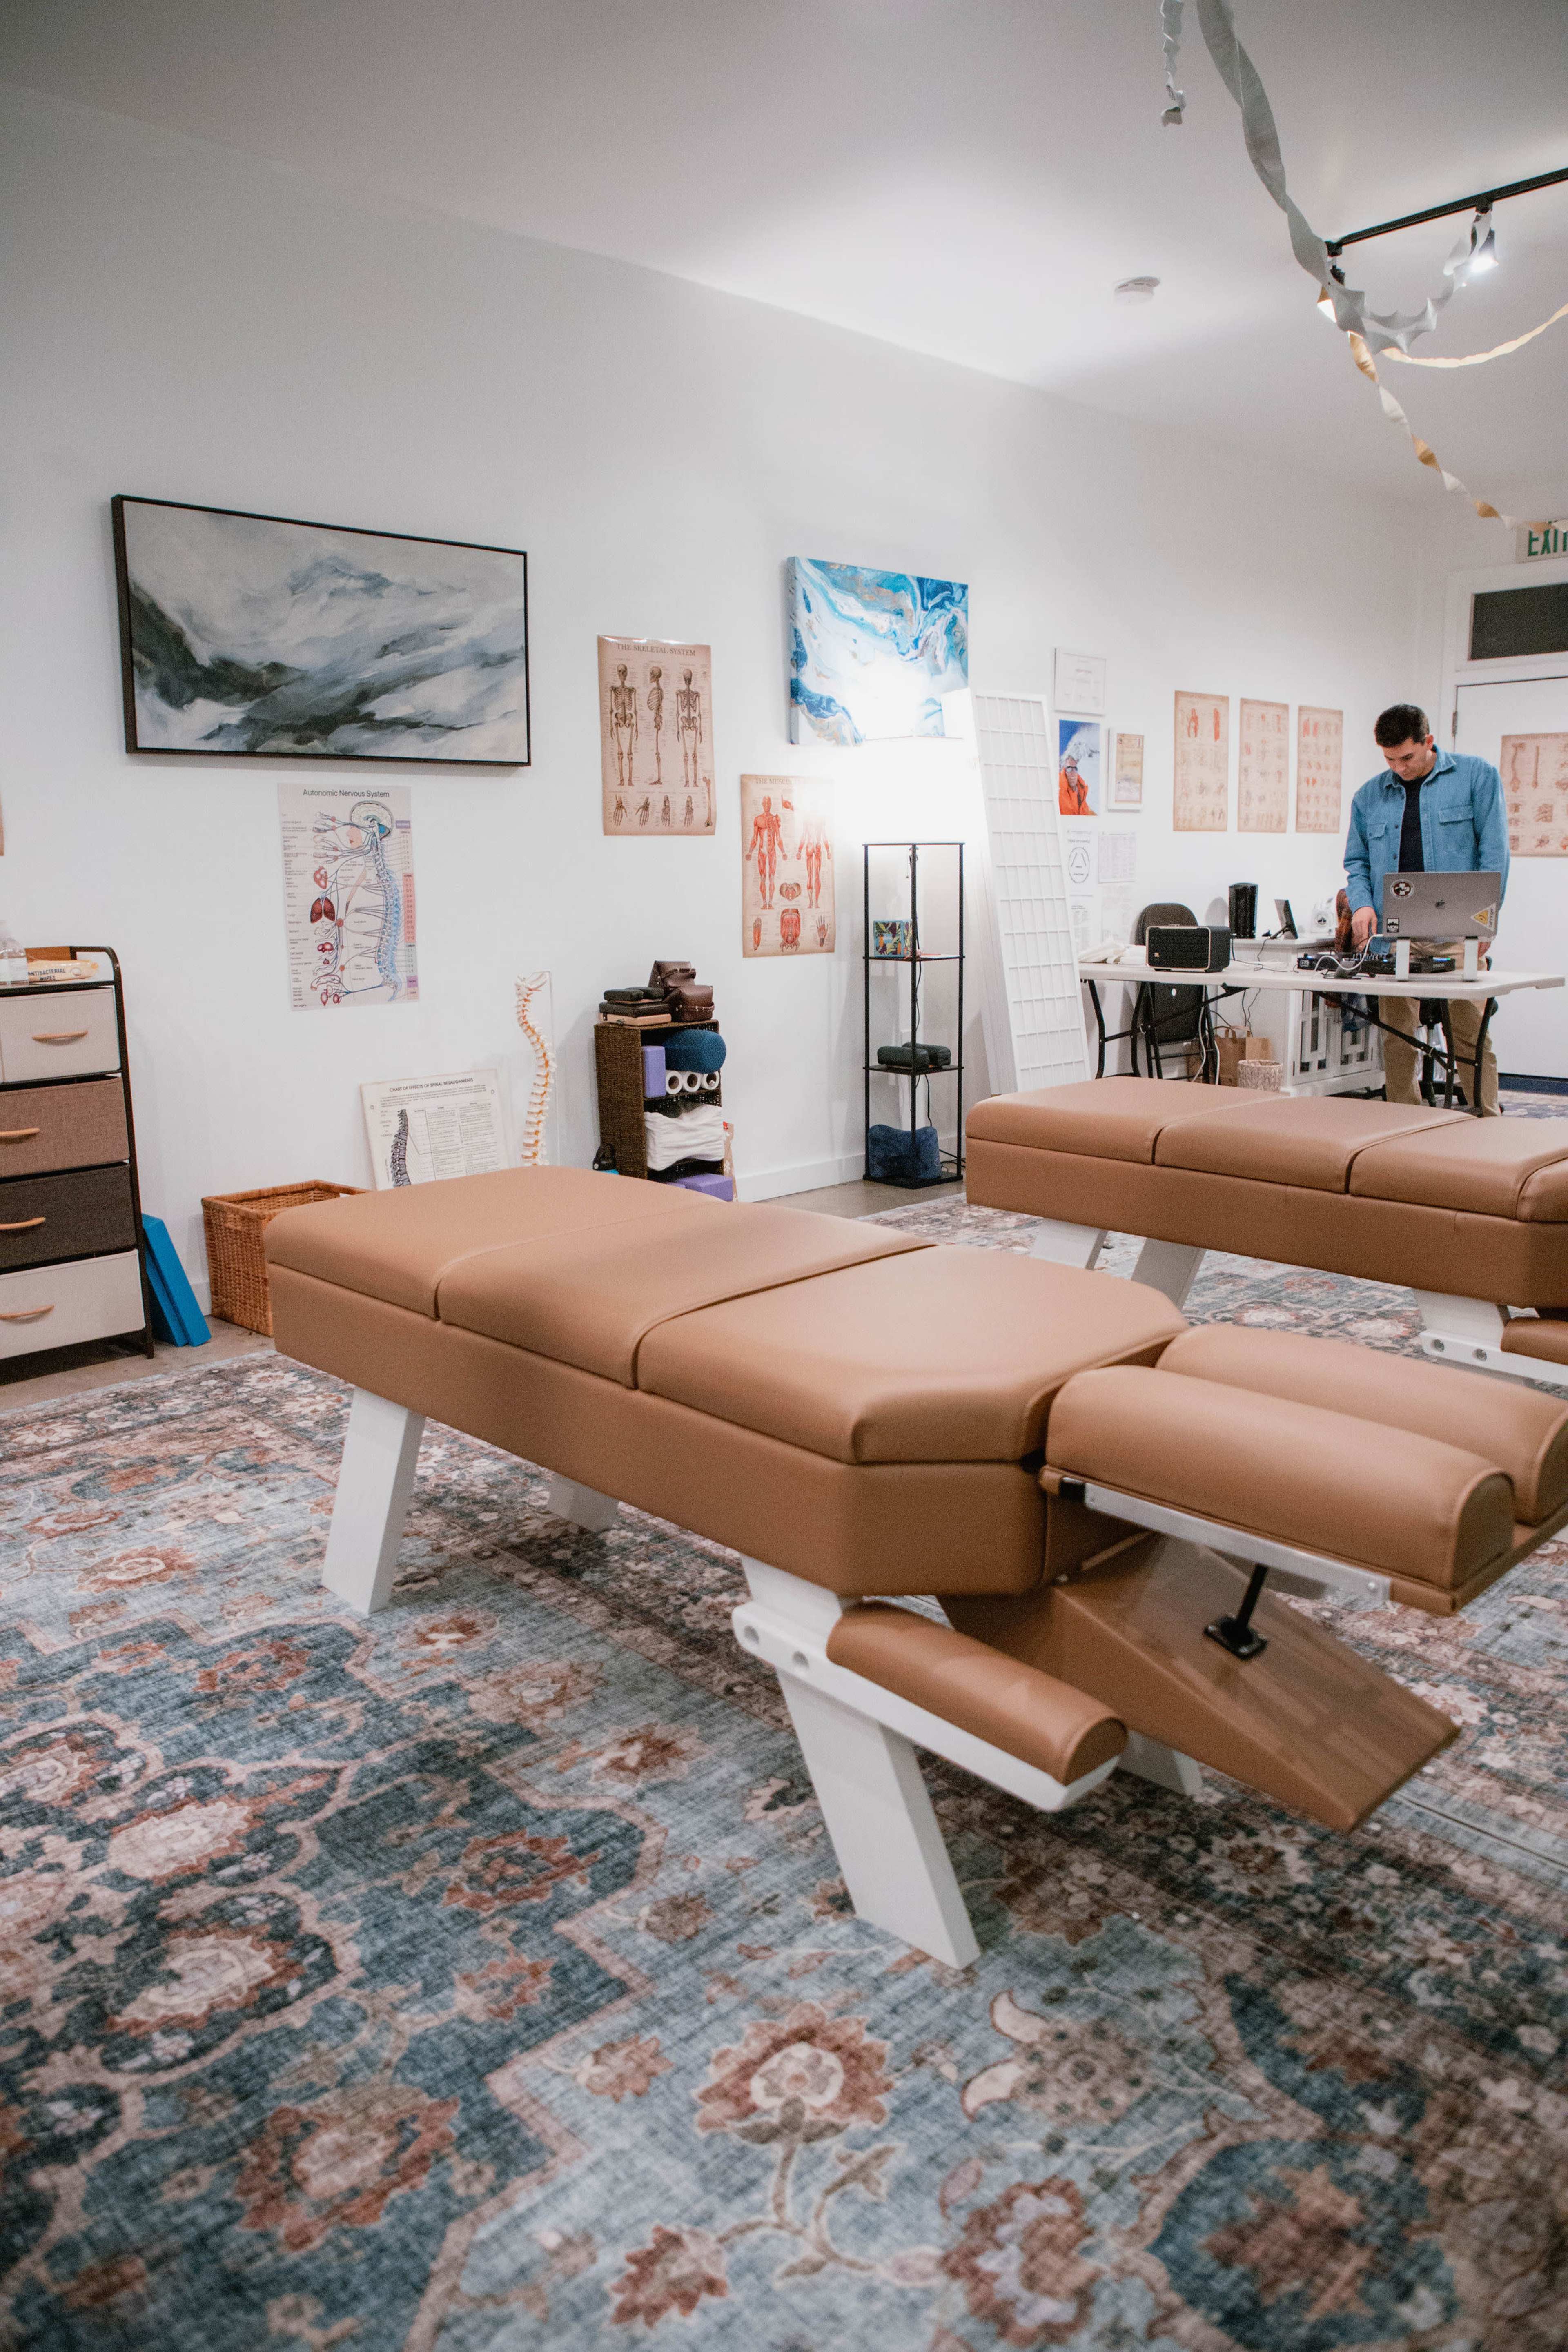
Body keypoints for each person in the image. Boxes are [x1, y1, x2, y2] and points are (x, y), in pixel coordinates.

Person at [1343, 703, 1509, 1114]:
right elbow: (1356, 862)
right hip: (1394, 934)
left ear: (1429, 742)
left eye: (1408, 757)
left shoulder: (1477, 777)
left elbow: (1495, 855)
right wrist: (1363, 905)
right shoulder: (1368, 796)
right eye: (1389, 759)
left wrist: (1484, 924)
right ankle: (1403, 1120)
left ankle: (1488, 1122)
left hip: (1458, 932)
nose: (1399, 768)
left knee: (1470, 1033)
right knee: (1396, 1035)